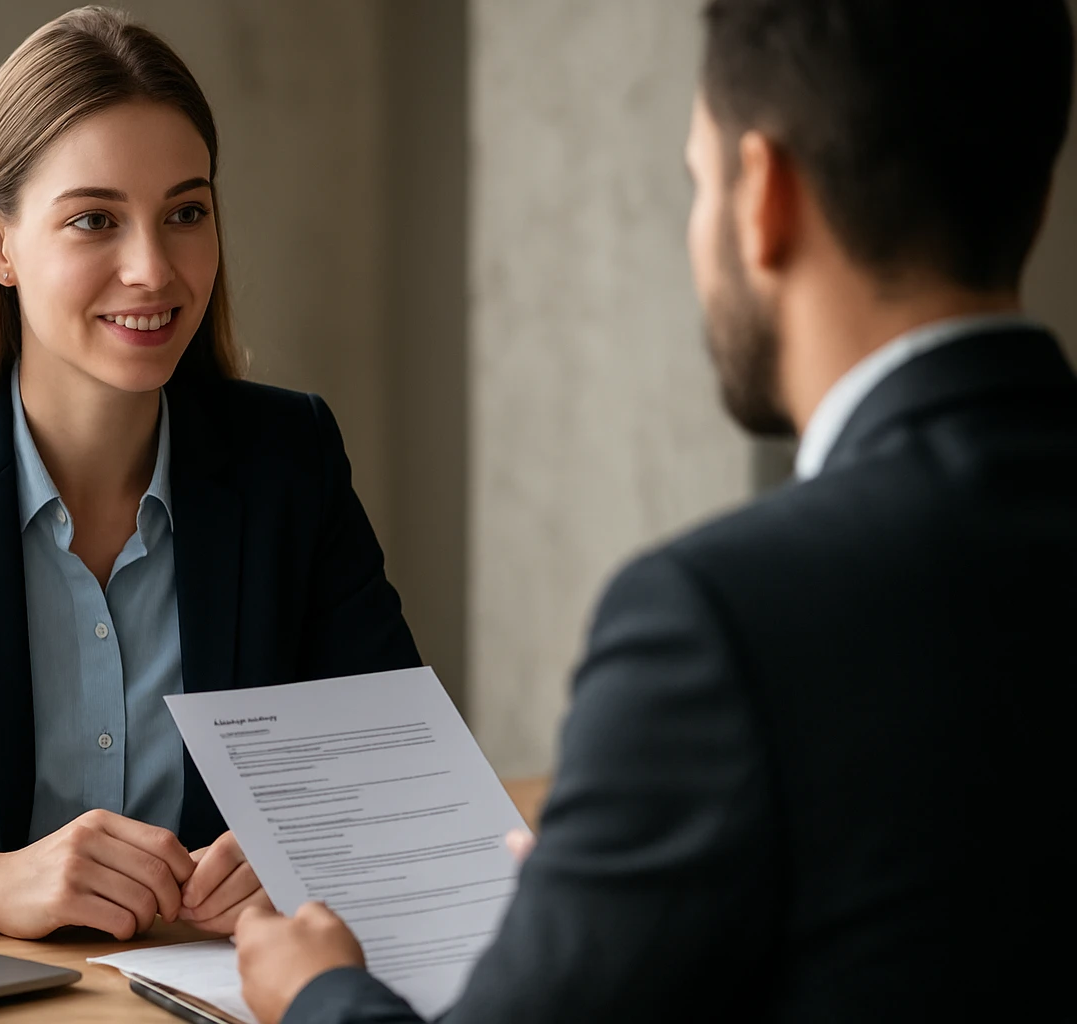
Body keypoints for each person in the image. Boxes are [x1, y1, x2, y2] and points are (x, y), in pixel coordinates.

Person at [234, 0, 1077, 1020]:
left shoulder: (717, 619)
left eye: (697, 178)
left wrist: (317, 990)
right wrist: (625, 890)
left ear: (764, 194)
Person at [0, 7, 418, 942]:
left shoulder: (287, 459)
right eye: (95, 219)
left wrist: (307, 850)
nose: (153, 268)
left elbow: (400, 784)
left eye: (186, 213)